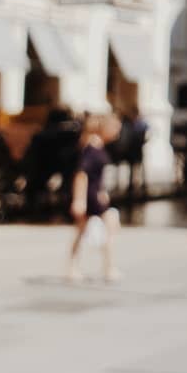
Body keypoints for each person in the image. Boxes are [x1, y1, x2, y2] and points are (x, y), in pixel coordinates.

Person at [67, 111, 121, 284]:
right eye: (115, 129)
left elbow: (96, 175)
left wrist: (102, 191)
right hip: (89, 197)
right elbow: (81, 175)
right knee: (84, 231)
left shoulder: (97, 146)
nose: (117, 134)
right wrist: (79, 200)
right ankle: (102, 268)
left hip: (95, 195)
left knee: (101, 228)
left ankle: (106, 267)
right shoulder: (92, 148)